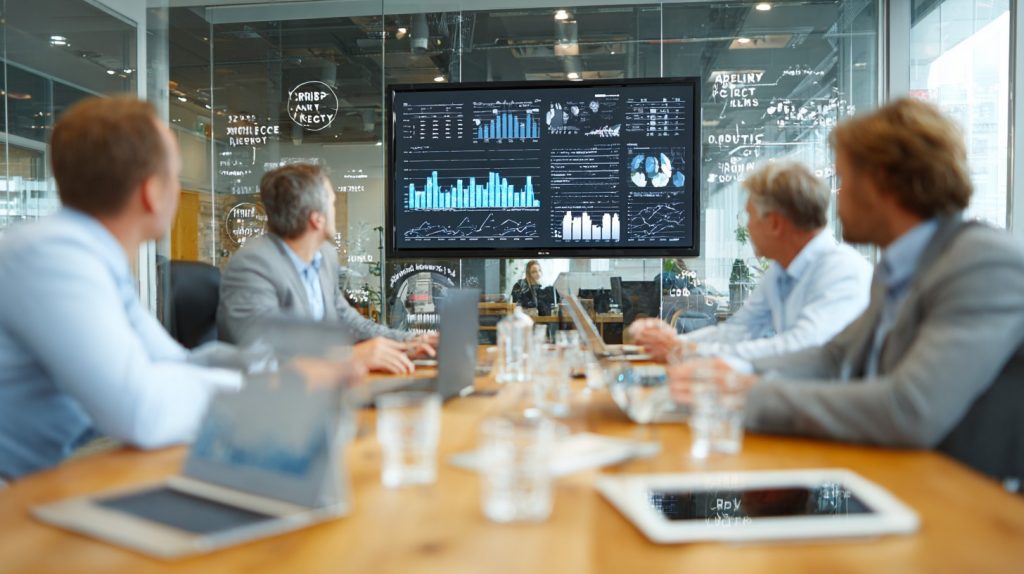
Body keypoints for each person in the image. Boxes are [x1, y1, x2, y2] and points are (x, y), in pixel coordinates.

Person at [669, 98, 1024, 485]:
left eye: (842, 180)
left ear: (882, 184)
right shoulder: (898, 267)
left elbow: (910, 409)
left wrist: (746, 396)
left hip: (968, 503)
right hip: (897, 479)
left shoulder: (982, 263)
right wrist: (732, 372)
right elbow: (834, 355)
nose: (834, 198)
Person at [0, 97, 247, 481]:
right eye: (176, 178)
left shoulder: (93, 254)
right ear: (152, 192)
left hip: (65, 481)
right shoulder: (52, 257)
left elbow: (172, 362)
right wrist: (261, 394)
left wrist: (280, 372)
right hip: (20, 507)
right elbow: (140, 410)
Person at [631, 161, 872, 362]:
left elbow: (799, 349)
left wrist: (683, 349)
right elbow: (739, 332)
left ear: (775, 223)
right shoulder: (781, 272)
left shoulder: (842, 271)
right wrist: (674, 343)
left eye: (751, 216)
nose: (747, 226)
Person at [218, 163, 435, 374]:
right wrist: (351, 356)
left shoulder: (325, 256)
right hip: (269, 401)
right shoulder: (253, 266)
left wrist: (407, 342)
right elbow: (263, 356)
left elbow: (347, 320)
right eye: (332, 202)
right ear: (317, 219)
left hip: (324, 392)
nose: (334, 208)